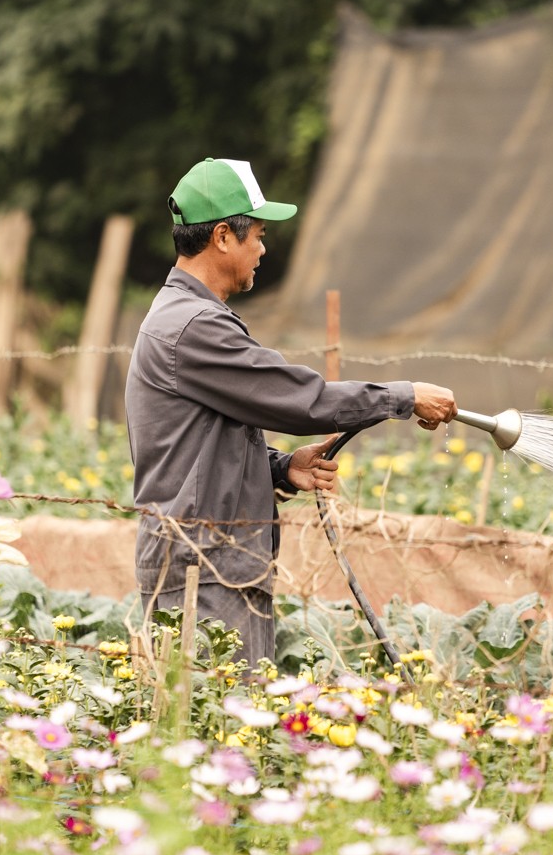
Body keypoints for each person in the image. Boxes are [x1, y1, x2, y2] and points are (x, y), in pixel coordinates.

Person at [126, 157, 455, 665]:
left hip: (211, 565)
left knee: (221, 730)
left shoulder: (187, 316)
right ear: (221, 237)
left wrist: (280, 467)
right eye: (257, 233)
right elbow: (304, 400)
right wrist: (404, 396)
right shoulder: (195, 326)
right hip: (203, 576)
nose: (263, 247)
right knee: (219, 731)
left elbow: (205, 438)